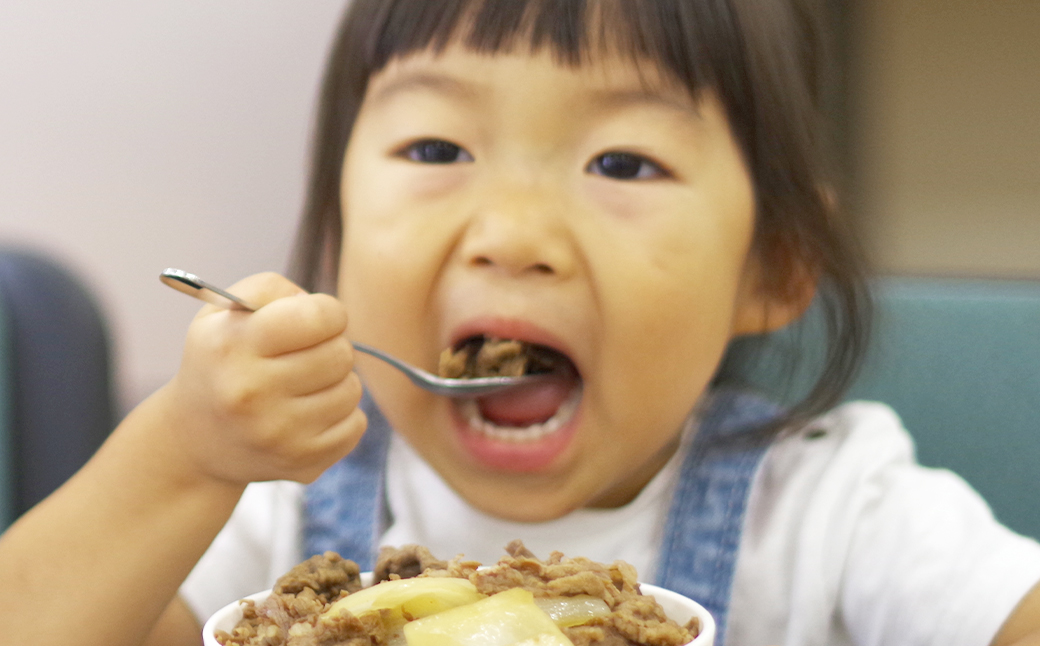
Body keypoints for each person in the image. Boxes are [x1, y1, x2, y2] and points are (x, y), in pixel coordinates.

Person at [2, 1, 1039, 645]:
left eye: (622, 162)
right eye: (436, 150)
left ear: (771, 266)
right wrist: (184, 456)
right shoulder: (278, 506)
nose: (510, 234)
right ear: (335, 236)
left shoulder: (826, 513)